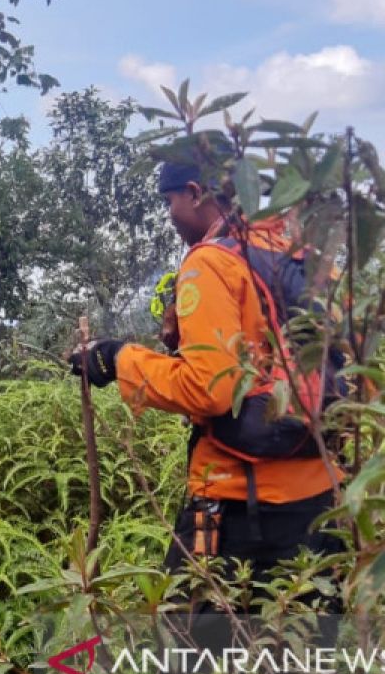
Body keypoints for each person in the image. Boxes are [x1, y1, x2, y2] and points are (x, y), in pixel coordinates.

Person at [70, 160, 344, 605]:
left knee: (187, 661)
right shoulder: (301, 254)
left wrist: (117, 358)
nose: (170, 215)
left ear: (195, 193)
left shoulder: (212, 262)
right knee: (304, 663)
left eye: (169, 201)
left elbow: (209, 388)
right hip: (325, 506)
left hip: (237, 508)